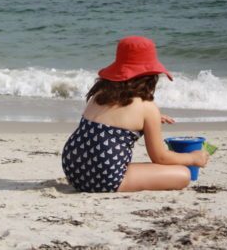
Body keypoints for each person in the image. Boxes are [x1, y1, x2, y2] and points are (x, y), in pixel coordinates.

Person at [61, 36, 209, 192]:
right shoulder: (147, 108)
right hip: (105, 177)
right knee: (183, 174)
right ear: (151, 76)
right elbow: (160, 157)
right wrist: (193, 158)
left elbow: (116, 118)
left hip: (74, 170)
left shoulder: (100, 93)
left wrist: (150, 118)